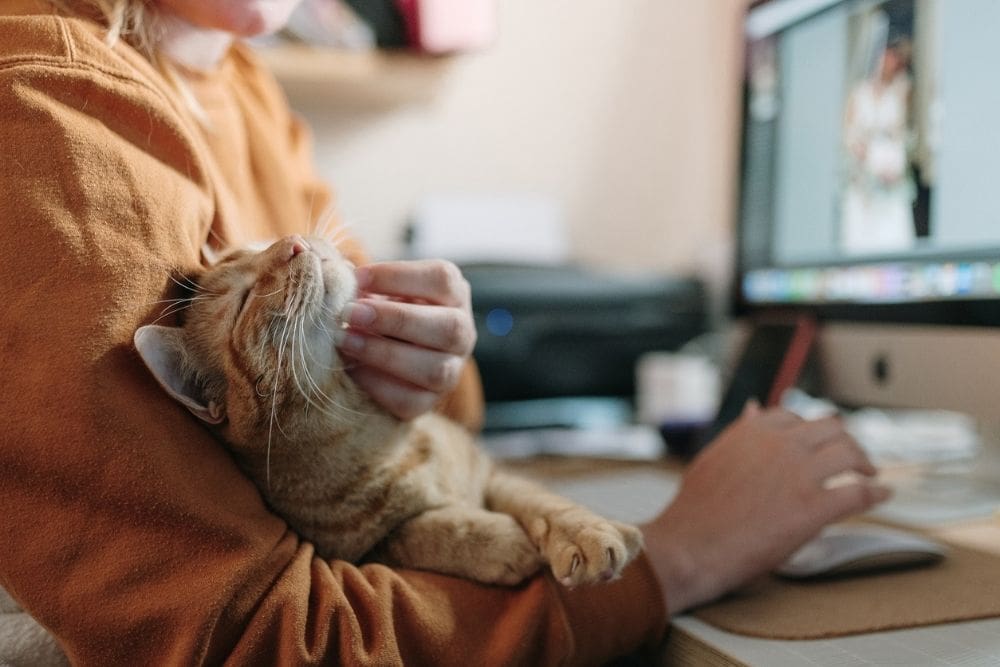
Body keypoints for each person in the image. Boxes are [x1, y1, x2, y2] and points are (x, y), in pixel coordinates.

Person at [0, 1, 890, 664]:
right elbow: (256, 639)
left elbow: (428, 434)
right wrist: (684, 555)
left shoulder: (241, 85)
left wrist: (419, 366)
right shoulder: (47, 117)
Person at [841, 34, 917, 254]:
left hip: (890, 178)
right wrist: (869, 158)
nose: (890, 62)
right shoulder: (858, 94)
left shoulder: (899, 93)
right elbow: (849, 136)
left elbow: (901, 134)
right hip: (864, 181)